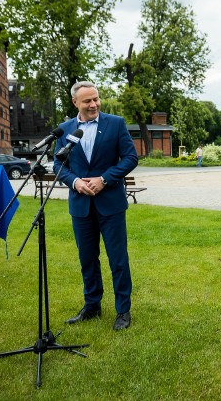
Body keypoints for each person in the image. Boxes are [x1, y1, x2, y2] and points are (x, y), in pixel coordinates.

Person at [54, 81, 138, 331]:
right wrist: (75, 182)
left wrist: (104, 179)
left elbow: (131, 157)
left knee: (118, 260)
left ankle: (123, 310)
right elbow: (59, 166)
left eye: (96, 99)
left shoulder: (116, 123)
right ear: (75, 102)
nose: (94, 104)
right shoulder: (65, 129)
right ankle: (92, 306)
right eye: (87, 101)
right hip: (80, 205)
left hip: (110, 203)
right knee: (87, 259)